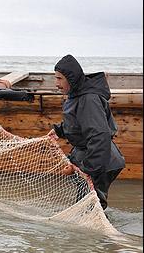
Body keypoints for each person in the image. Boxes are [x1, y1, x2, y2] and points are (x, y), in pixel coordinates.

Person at [49, 54, 125, 210]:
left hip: (101, 160)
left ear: (72, 79)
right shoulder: (75, 95)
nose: (56, 83)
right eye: (55, 78)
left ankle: (104, 234)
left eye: (59, 78)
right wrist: (60, 131)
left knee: (90, 207)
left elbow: (99, 135)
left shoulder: (88, 99)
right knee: (85, 204)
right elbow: (79, 124)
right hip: (92, 156)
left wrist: (87, 169)